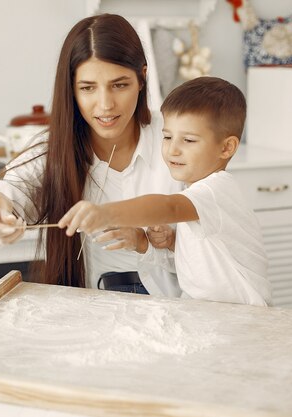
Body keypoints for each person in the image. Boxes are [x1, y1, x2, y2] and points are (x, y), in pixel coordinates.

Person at [0, 13, 183, 296]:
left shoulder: (178, 137)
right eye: (87, 88)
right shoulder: (54, 149)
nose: (105, 105)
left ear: (142, 79)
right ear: (71, 89)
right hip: (93, 309)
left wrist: (147, 243)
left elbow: (214, 247)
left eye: (119, 85)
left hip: (180, 306)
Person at [58, 76, 272, 307]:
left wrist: (105, 213)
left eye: (188, 140)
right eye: (168, 136)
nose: (173, 149)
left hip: (243, 316)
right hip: (208, 312)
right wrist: (166, 242)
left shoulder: (217, 189)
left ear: (226, 147)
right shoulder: (199, 199)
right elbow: (203, 261)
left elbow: (169, 206)